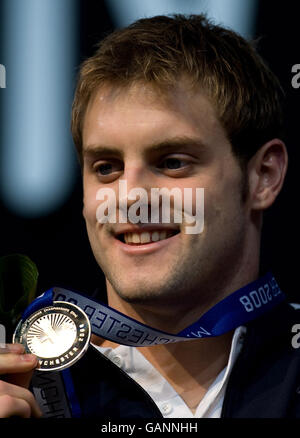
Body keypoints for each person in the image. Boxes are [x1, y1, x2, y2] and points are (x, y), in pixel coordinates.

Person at [0, 13, 299, 419]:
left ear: (263, 176)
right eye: (106, 167)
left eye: (172, 162)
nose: (130, 197)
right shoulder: (23, 388)